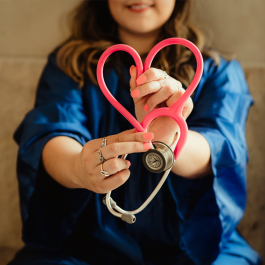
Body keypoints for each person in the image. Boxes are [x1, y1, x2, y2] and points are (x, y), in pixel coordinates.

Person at [9, 0, 262, 264]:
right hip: (85, 247)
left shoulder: (217, 71)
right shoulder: (68, 65)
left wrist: (168, 140)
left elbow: (221, 148)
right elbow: (50, 132)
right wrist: (78, 168)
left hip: (196, 248)